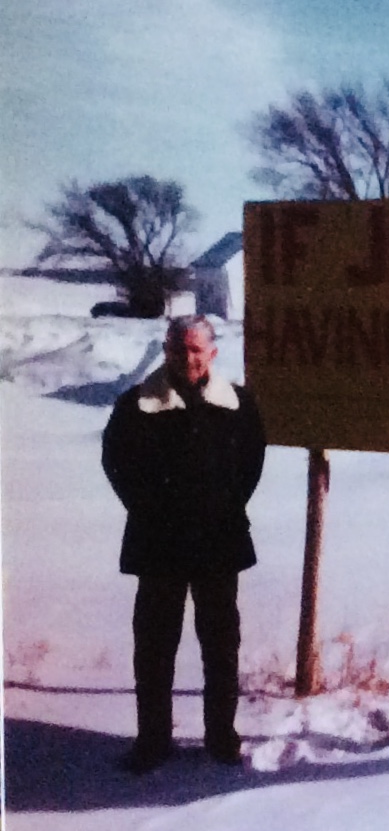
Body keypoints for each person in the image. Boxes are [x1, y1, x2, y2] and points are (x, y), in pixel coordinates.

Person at [102, 315, 266, 773]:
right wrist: (148, 509)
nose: (187, 358)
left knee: (221, 644)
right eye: (178, 348)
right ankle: (152, 741)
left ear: (212, 352)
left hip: (219, 540)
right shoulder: (136, 405)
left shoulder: (239, 404)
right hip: (159, 542)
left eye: (195, 349)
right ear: (166, 350)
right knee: (154, 647)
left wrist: (224, 506)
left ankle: (221, 737)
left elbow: (251, 462)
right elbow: (116, 462)